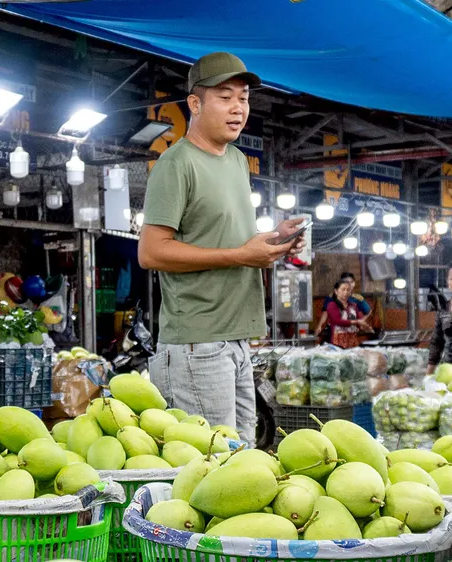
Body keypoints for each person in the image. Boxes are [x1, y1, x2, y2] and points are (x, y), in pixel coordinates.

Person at [137, 52, 305, 443]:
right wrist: (240, 256)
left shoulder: (237, 161)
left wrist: (273, 238)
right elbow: (151, 252)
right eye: (225, 96)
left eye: (244, 98)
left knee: (243, 460)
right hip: (197, 344)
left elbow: (227, 238)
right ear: (195, 104)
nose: (238, 108)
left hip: (237, 339)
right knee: (212, 467)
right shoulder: (176, 164)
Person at [315, 272, 371, 339]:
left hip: (351, 331)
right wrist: (319, 326)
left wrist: (362, 322)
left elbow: (368, 311)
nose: (350, 284)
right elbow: (325, 312)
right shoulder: (331, 297)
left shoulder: (357, 298)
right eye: (346, 282)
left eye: (351, 282)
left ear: (354, 283)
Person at [324, 280, 367, 348]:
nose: (346, 292)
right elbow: (338, 321)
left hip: (353, 342)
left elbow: (359, 321)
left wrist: (363, 325)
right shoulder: (332, 305)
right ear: (336, 291)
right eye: (343, 289)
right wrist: (357, 321)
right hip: (338, 344)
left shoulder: (354, 306)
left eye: (348, 290)